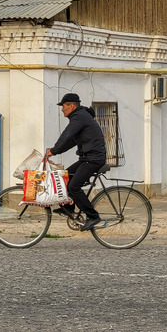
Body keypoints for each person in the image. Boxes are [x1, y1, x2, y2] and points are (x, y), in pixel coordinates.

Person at [45, 93, 107, 231]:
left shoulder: (79, 117)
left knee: (74, 187)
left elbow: (67, 134)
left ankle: (93, 216)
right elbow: (72, 141)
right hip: (87, 158)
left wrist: (54, 150)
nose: (62, 109)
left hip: (93, 159)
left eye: (64, 106)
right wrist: (56, 151)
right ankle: (68, 208)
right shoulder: (80, 116)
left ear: (71, 106)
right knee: (65, 177)